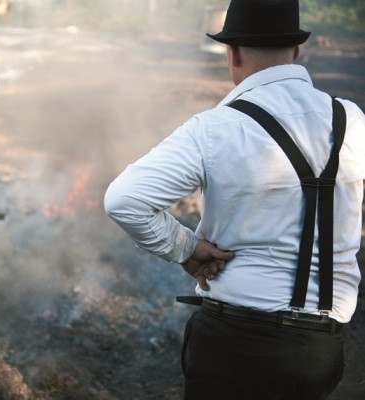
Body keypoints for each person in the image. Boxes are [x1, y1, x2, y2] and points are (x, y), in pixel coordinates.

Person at [104, 0, 365, 399]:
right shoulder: (353, 120)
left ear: (233, 53)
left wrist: (187, 250)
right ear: (296, 51)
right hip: (320, 350)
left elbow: (124, 200)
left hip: (235, 345)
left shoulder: (216, 128)